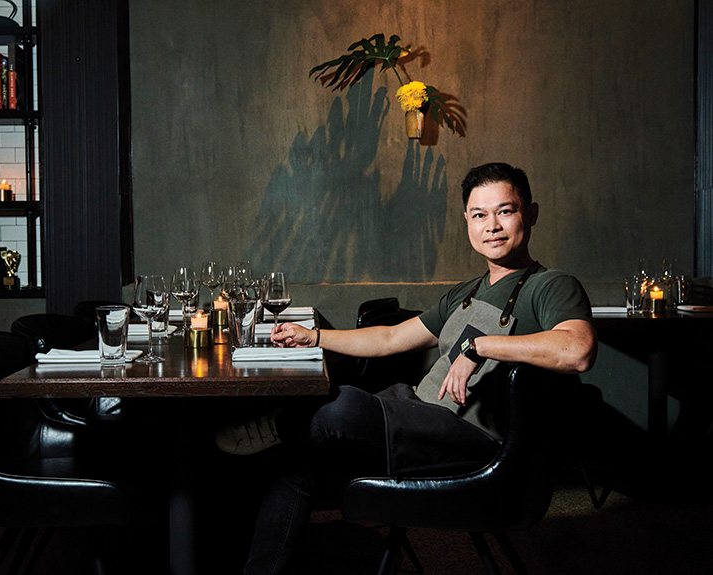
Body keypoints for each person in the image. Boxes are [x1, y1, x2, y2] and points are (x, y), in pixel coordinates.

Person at [217, 162, 598, 575]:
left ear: (532, 214)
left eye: (506, 211)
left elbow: (578, 350)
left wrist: (481, 346)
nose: (492, 226)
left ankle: (280, 425)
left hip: (475, 442)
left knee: (340, 407)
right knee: (294, 469)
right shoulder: (466, 292)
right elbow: (389, 339)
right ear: (467, 222)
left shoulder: (552, 285)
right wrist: (316, 338)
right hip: (419, 414)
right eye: (479, 215)